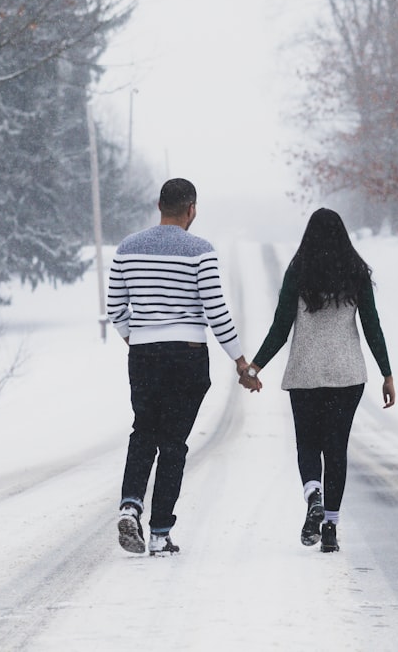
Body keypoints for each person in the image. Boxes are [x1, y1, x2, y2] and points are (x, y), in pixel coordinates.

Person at [107, 178, 252, 556]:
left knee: (143, 432)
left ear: (159, 205)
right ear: (192, 210)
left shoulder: (127, 249)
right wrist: (240, 360)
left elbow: (115, 306)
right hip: (187, 354)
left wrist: (135, 337)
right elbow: (217, 312)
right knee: (173, 443)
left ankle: (130, 505)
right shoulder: (200, 252)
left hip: (143, 355)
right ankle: (159, 533)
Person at [241, 208, 394, 553]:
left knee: (308, 443)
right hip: (347, 375)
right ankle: (330, 529)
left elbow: (281, 327)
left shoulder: (299, 271)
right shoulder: (356, 273)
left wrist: (255, 367)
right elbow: (372, 326)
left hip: (305, 374)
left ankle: (313, 494)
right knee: (336, 449)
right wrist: (387, 373)